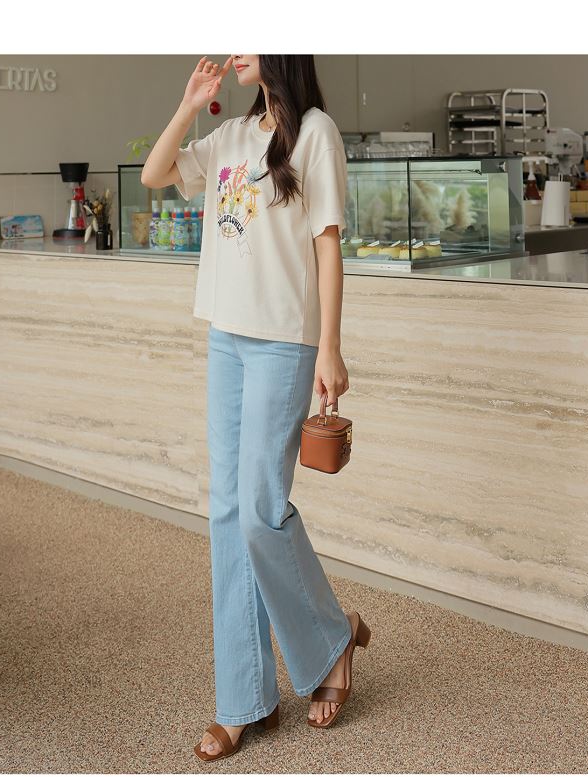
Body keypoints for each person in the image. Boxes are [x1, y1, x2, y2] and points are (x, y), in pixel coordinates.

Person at [141, 54, 371, 762]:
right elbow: (154, 175)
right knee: (227, 513)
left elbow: (327, 246)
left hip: (283, 342)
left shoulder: (316, 133)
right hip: (226, 338)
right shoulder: (233, 136)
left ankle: (330, 637)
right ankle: (244, 701)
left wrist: (330, 347)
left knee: (260, 509)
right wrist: (188, 105)